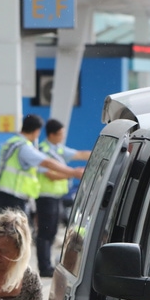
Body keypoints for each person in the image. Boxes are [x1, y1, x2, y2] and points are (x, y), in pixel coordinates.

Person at [0, 114, 82, 215]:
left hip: (7, 195)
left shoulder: (12, 142)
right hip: (13, 197)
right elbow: (47, 162)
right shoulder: (23, 147)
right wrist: (73, 172)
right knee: (14, 230)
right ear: (36, 131)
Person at [34, 118, 90, 276]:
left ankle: (48, 264)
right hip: (45, 197)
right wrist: (71, 173)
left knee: (52, 232)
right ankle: (44, 267)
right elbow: (50, 175)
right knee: (45, 233)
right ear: (51, 135)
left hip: (56, 197)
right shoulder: (43, 150)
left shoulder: (58, 149)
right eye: (60, 134)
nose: (62, 137)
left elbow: (78, 154)